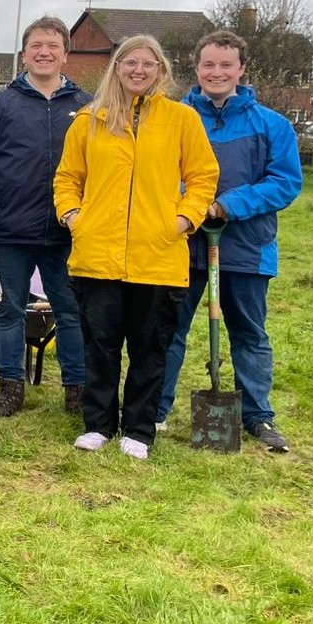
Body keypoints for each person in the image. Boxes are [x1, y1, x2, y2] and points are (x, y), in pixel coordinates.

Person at [54, 34, 218, 459]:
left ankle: (140, 430)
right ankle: (98, 425)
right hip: (97, 255)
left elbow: (203, 177)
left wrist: (183, 219)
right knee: (100, 345)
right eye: (130, 63)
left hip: (158, 256)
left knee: (150, 348)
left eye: (148, 64)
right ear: (117, 68)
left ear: (161, 70)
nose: (138, 71)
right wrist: (73, 216)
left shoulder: (182, 120)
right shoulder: (90, 119)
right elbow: (67, 178)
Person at [156, 30, 301, 452]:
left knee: (249, 333)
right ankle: (156, 408)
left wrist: (228, 205)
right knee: (168, 329)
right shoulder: (175, 118)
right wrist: (187, 206)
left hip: (246, 246)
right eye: (208, 65)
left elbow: (285, 183)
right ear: (196, 68)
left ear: (241, 69)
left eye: (225, 65)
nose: (216, 72)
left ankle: (257, 415)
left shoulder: (271, 125)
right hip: (180, 242)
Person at [0, 16, 91, 417]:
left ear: (65, 55)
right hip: (10, 230)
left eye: (53, 46)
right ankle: (9, 387)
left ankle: (77, 389)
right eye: (37, 45)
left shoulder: (86, 106)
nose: (44, 52)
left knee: (70, 312)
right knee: (9, 310)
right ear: (24, 54)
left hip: (67, 231)